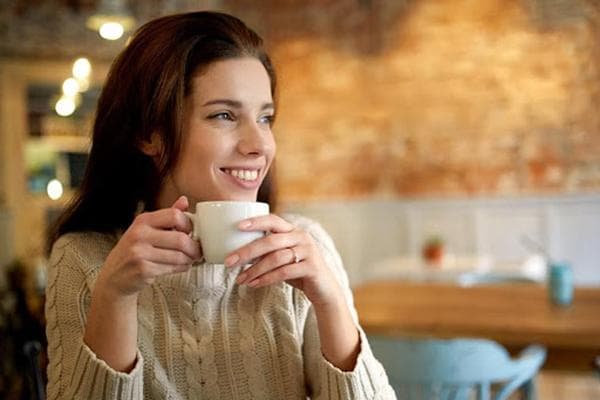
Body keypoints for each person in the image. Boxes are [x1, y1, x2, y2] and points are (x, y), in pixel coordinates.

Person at [45, 11, 396, 400]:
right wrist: (114, 295)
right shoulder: (83, 259)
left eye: (265, 117)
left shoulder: (306, 247)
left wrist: (329, 300)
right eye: (224, 115)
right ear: (150, 134)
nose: (259, 145)